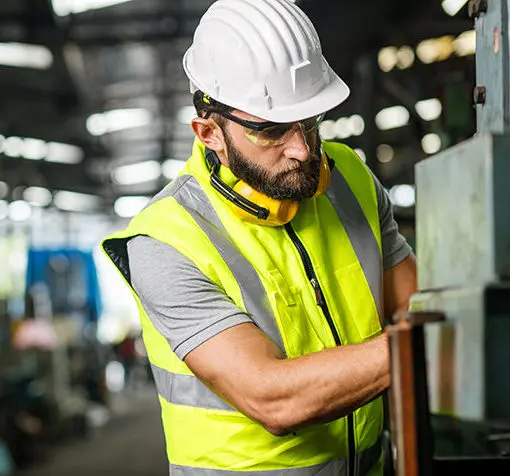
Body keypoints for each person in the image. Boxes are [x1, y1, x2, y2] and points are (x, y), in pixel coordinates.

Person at [102, 0, 417, 474]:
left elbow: (417, 304)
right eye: (271, 131)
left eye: (310, 119)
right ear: (209, 133)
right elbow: (274, 399)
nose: (303, 149)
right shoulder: (164, 241)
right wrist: (436, 338)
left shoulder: (351, 179)